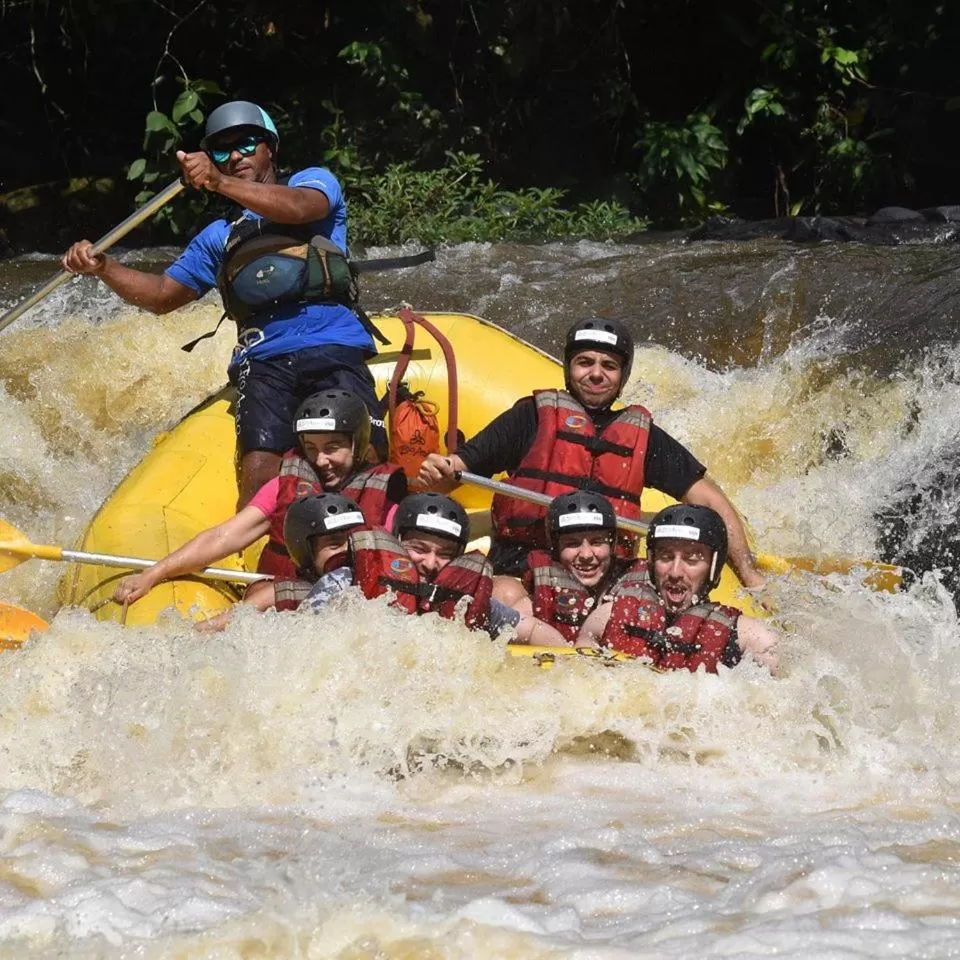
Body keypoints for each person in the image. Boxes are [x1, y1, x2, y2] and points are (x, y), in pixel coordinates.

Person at [61, 99, 387, 506]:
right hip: (264, 362)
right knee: (259, 476)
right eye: (221, 151)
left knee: (365, 459)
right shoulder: (220, 235)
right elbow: (162, 295)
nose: (235, 157)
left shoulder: (313, 183)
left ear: (271, 148)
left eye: (247, 144)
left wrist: (218, 182)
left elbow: (299, 207)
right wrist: (104, 267)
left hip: (332, 345)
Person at [417, 317, 763, 587]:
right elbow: (456, 472)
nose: (596, 374)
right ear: (569, 368)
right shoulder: (530, 417)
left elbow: (710, 500)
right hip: (525, 565)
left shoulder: (644, 437)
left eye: (609, 366)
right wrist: (438, 471)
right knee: (507, 597)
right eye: (585, 362)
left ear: (622, 376)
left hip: (604, 575)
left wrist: (749, 574)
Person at [113, 389, 405, 604]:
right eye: (311, 448)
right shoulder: (284, 486)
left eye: (332, 448)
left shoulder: (384, 502)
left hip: (350, 609)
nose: (320, 461)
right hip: (282, 604)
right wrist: (154, 573)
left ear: (357, 445)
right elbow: (223, 538)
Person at [305, 492, 570, 645]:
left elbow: (532, 630)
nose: (430, 563)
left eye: (444, 554)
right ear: (396, 541)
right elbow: (310, 639)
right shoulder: (345, 583)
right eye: (419, 549)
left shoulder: (462, 598)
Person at [577, 505, 778, 672]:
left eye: (692, 559)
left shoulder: (752, 638)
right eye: (665, 557)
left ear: (713, 567)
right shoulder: (604, 619)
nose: (675, 572)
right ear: (651, 562)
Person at [495, 490, 649, 643]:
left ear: (612, 544)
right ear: (556, 548)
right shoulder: (535, 604)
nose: (586, 555)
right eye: (572, 544)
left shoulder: (643, 591)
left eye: (596, 542)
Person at [195, 492, 366, 630]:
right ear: (306, 554)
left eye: (353, 542)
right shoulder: (279, 594)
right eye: (334, 545)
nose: (348, 550)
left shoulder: (371, 579)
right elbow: (217, 625)